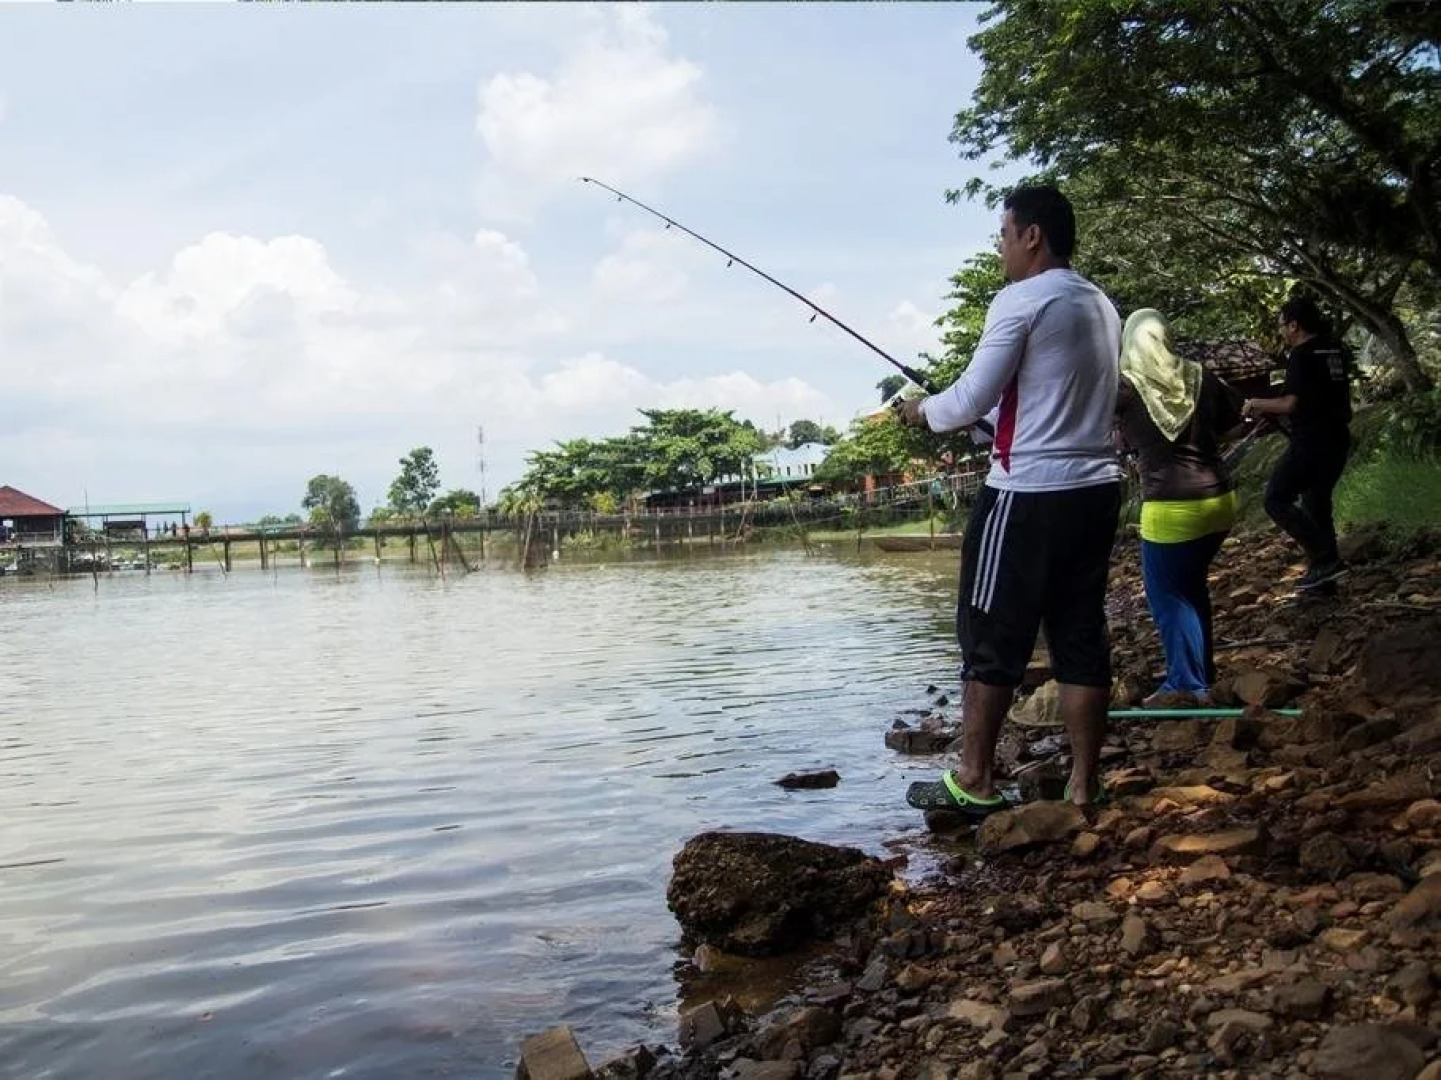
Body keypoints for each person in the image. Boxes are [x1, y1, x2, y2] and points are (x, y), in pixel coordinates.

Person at [897, 184, 1123, 814]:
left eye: (1003, 234)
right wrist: (987, 420)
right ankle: (1082, 785)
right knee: (1079, 634)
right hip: (1096, 490)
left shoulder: (1021, 298)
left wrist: (921, 411)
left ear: (1032, 236)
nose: (999, 247)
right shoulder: (1100, 304)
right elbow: (1036, 401)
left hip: (1026, 495)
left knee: (989, 635)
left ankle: (974, 779)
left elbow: (968, 399)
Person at [1115, 308, 1244, 707]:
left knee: (1170, 599)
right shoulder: (1201, 376)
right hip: (1219, 500)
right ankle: (1202, 676)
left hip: (1171, 509)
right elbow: (1235, 424)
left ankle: (1186, 685)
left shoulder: (1124, 388)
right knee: (1191, 589)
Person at [1243, 297, 1353, 589]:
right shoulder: (1335, 349)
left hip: (1312, 441)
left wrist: (1255, 403)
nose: (1281, 331)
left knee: (1276, 498)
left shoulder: (1302, 355)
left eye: (1281, 325)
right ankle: (1325, 571)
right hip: (1338, 437)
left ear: (1295, 325)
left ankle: (1325, 555)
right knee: (1316, 502)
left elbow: (1290, 403)